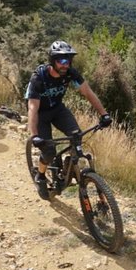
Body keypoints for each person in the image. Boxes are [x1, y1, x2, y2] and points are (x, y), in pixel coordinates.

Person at [25, 39, 112, 200]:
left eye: (68, 60)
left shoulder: (71, 73)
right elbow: (32, 108)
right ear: (53, 61)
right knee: (49, 151)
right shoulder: (39, 78)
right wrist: (34, 135)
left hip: (58, 109)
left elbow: (88, 92)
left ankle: (67, 168)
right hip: (41, 113)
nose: (65, 64)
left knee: (77, 136)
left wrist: (104, 114)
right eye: (61, 61)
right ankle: (41, 175)